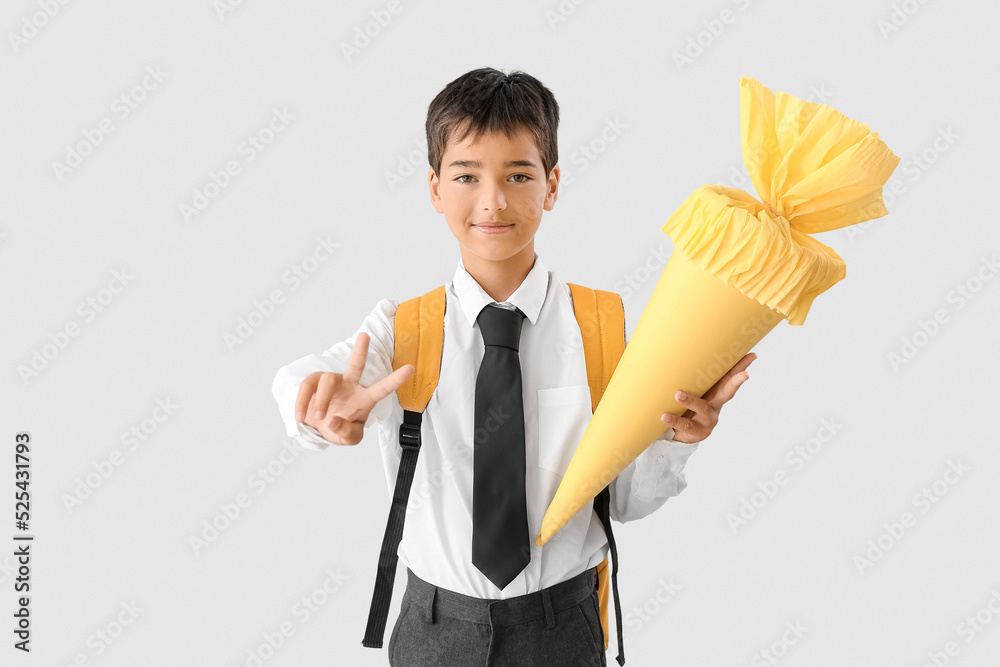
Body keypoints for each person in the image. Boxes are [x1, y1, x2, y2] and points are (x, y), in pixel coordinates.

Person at [271, 67, 755, 666]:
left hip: (562, 624)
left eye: (518, 175)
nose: (492, 200)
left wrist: (678, 441)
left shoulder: (605, 328)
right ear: (434, 189)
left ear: (552, 186)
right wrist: (319, 410)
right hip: (434, 627)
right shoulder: (401, 330)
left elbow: (626, 501)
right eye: (466, 176)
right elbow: (300, 382)